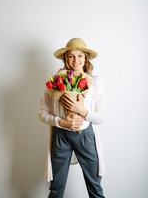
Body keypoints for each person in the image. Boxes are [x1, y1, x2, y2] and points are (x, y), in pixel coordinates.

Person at [39, 37, 107, 198]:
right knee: (56, 188)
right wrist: (60, 121)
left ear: (86, 58)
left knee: (95, 186)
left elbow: (102, 117)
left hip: (86, 136)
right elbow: (42, 113)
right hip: (60, 136)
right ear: (66, 58)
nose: (75, 60)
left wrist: (81, 110)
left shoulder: (95, 83)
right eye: (71, 56)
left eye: (80, 55)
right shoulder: (54, 83)